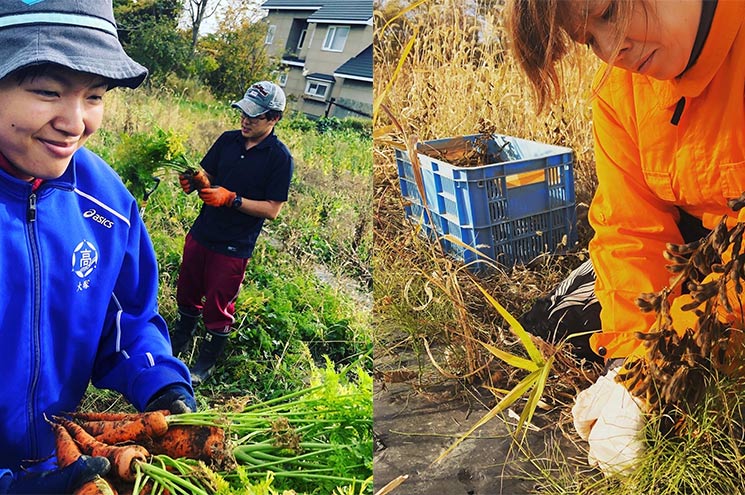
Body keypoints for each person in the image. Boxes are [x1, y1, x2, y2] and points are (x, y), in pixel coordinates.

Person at [507, 0, 741, 474]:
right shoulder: (619, 90)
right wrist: (627, 360)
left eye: (610, 11)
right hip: (689, 252)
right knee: (549, 331)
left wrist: (656, 368)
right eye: (589, 39)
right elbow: (628, 230)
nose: (614, 49)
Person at [0, 1, 197, 492]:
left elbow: (127, 318)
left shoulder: (105, 202)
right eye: (47, 91)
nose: (75, 122)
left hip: (61, 465)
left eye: (95, 96)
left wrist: (160, 383)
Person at [172, 81, 294, 385]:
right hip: (203, 230)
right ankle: (181, 338)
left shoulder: (279, 158)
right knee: (187, 288)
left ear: (274, 118)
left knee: (218, 301)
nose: (246, 120)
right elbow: (210, 175)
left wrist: (232, 199)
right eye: (243, 113)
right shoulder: (227, 141)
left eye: (254, 116)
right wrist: (196, 180)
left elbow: (272, 209)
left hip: (234, 244)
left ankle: (207, 361)